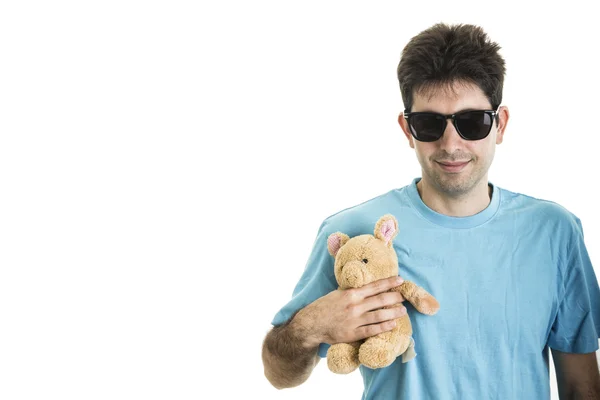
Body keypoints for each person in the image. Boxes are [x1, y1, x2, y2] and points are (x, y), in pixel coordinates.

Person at [261, 22, 600, 399]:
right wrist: (312, 325)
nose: (450, 144)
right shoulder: (352, 232)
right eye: (429, 124)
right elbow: (279, 373)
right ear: (408, 129)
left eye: (472, 122)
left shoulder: (554, 232)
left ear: (499, 124)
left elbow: (581, 385)